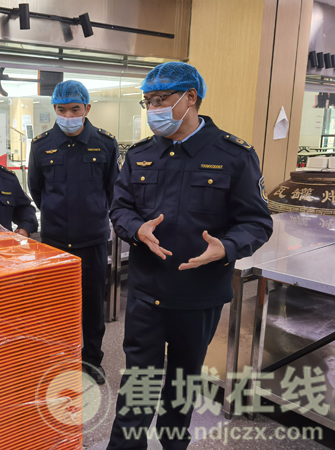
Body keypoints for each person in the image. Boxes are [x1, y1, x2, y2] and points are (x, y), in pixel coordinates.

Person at [107, 62, 273, 449]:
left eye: (161, 99)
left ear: (190, 98)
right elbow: (120, 208)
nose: (153, 109)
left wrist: (227, 248)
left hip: (200, 294)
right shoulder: (140, 155)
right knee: (139, 384)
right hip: (147, 291)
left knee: (182, 382)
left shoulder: (234, 155)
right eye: (147, 101)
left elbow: (256, 221)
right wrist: (136, 229)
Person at [28, 80, 119, 385]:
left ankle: (91, 361)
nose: (67, 114)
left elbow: (111, 189)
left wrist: (90, 214)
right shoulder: (41, 145)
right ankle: (59, 359)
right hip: (54, 242)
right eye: (61, 109)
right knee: (55, 306)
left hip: (92, 239)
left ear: (86, 109)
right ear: (54, 109)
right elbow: (37, 191)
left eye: (74, 109)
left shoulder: (105, 143)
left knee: (93, 305)